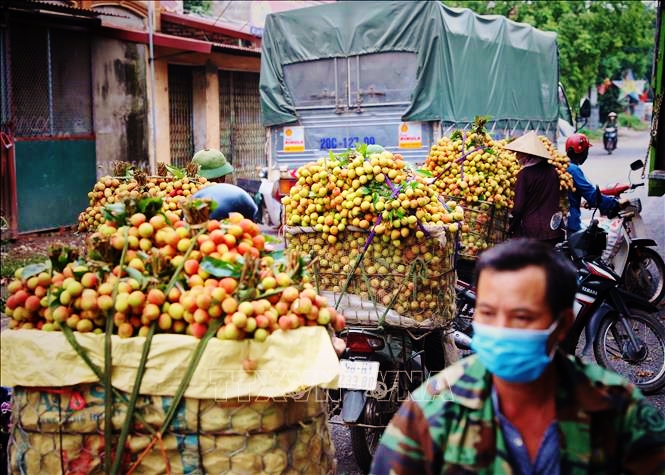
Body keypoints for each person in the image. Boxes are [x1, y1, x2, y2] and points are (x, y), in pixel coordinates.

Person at [370, 239, 665, 474]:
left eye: (521, 317)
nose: (499, 328)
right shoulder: (432, 407)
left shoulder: (617, 408)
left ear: (562, 324)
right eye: (487, 313)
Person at [504, 131, 565, 246]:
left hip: (532, 231)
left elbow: (518, 208)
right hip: (554, 228)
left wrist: (511, 227)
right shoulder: (552, 171)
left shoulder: (524, 174)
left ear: (528, 156)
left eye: (520, 154)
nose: (517, 157)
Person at [565, 132, 620, 234]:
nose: (587, 154)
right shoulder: (573, 169)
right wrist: (614, 203)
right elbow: (591, 195)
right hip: (570, 222)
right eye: (587, 150)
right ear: (582, 151)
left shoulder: (563, 165)